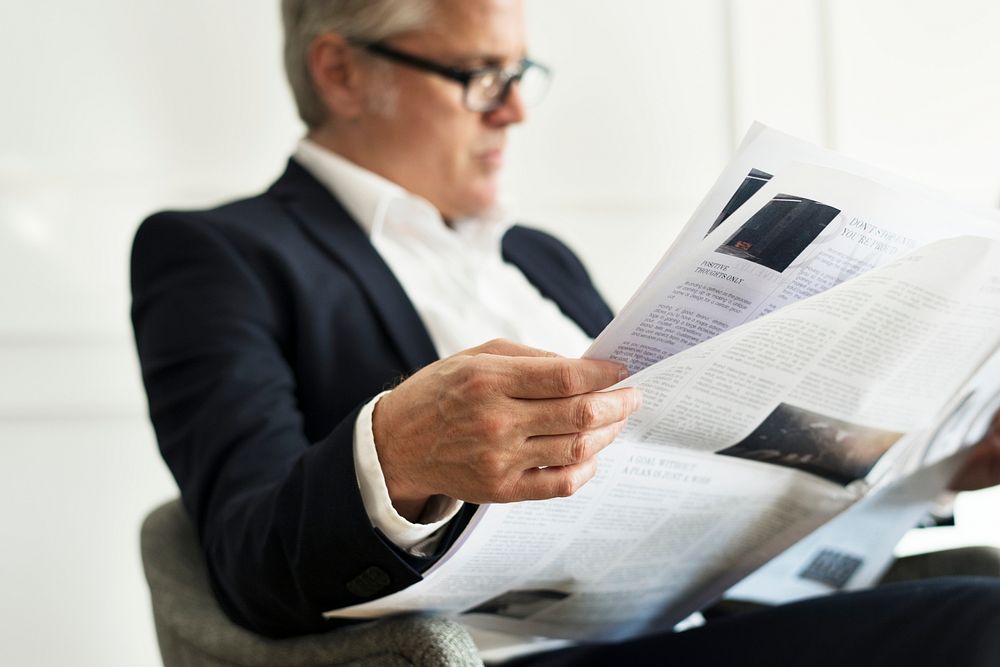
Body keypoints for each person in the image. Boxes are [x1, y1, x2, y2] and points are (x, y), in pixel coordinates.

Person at [131, 0, 1000, 664]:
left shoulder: (537, 256)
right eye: (480, 77)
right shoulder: (220, 254)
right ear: (343, 72)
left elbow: (694, 464)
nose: (514, 112)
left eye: (521, 75)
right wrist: (397, 455)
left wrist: (934, 467)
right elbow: (244, 556)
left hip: (683, 621)